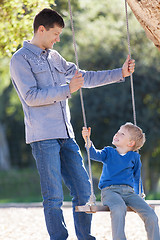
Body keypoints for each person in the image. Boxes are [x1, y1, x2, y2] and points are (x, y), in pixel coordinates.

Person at [10, 8, 136, 240]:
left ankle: (85, 238)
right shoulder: (20, 59)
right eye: (55, 34)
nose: (58, 39)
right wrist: (67, 89)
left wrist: (120, 73)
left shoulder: (54, 57)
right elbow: (31, 96)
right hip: (42, 136)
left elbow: (84, 78)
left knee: (84, 190)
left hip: (66, 134)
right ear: (41, 29)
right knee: (54, 196)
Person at [82, 123, 160, 240]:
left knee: (151, 214)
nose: (117, 134)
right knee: (119, 208)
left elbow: (137, 178)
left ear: (130, 143)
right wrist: (88, 140)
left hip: (129, 193)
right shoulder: (108, 152)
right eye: (118, 131)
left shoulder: (134, 157)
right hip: (110, 192)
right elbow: (94, 154)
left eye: (122, 133)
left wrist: (140, 196)